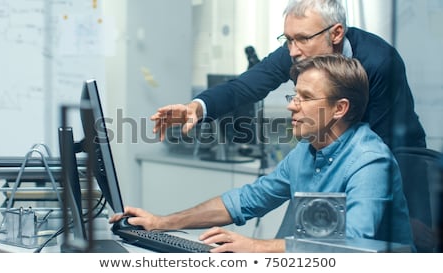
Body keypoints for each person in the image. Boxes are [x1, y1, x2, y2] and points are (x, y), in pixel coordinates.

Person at [111, 54, 414, 253]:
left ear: (340, 108)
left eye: (305, 98)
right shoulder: (306, 152)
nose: (292, 106)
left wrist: (256, 246)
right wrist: (161, 223)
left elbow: (352, 246)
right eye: (293, 95)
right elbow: (244, 201)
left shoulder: (370, 161)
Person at [150, 0, 426, 149]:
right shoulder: (296, 52)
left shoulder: (379, 61)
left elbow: (380, 142)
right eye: (288, 39)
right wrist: (198, 107)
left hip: (399, 156)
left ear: (337, 33)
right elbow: (243, 87)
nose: (293, 51)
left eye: (303, 38)